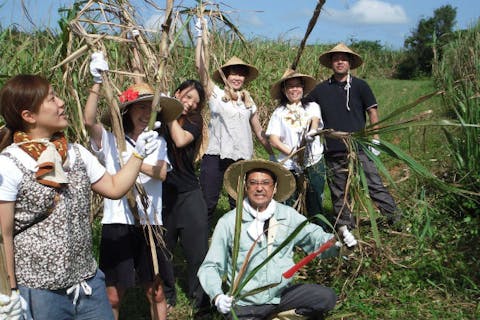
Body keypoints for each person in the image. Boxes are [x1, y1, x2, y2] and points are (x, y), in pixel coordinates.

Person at [0, 74, 160, 319]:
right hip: (39, 291)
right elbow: (4, 235)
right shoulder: (10, 163)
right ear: (28, 116)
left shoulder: (76, 154)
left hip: (88, 284)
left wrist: (138, 155)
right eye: (52, 99)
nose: (62, 103)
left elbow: (115, 187)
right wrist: (10, 293)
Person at [84, 52, 183, 320]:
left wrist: (135, 161)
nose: (146, 113)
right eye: (141, 107)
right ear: (128, 111)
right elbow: (89, 122)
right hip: (118, 221)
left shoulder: (157, 141)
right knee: (113, 294)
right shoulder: (112, 141)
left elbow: (161, 173)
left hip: (150, 222)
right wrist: (96, 82)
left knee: (157, 291)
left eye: (151, 108)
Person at [198, 159, 339, 320]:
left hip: (281, 296)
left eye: (266, 183)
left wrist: (339, 244)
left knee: (325, 297)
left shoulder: (287, 216)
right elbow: (210, 266)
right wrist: (217, 296)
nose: (259, 188)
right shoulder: (229, 222)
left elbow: (316, 240)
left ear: (275, 188)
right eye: (253, 183)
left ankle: (277, 315)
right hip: (245, 303)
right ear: (246, 187)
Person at [306, 43, 402, 247]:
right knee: (339, 191)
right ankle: (345, 228)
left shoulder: (360, 86)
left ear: (349, 63)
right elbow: (300, 104)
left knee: (374, 185)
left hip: (360, 148)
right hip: (334, 150)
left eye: (344, 58)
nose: (340, 61)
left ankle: (396, 220)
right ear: (331, 63)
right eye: (336, 58)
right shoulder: (321, 90)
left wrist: (375, 139)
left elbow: (373, 112)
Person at [195, 18, 275, 225]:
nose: (237, 77)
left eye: (241, 74)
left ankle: (240, 243)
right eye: (233, 73)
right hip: (215, 155)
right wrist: (200, 37)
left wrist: (274, 153)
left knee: (238, 202)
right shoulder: (216, 95)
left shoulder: (248, 101)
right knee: (208, 201)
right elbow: (200, 69)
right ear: (225, 77)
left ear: (245, 78)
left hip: (241, 157)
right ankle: (201, 247)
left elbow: (259, 132)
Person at [158, 80, 210, 315]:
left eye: (195, 102)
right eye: (187, 97)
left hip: (189, 193)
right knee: (163, 250)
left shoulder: (194, 121)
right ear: (177, 93)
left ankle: (201, 301)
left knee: (197, 250)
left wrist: (171, 111)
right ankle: (167, 295)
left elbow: (180, 140)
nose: (189, 104)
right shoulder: (156, 119)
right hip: (162, 195)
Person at [266, 68, 326, 221]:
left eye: (297, 85)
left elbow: (315, 120)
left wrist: (312, 133)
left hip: (313, 161)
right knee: (289, 201)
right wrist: (293, 153)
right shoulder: (279, 112)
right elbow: (274, 139)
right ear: (284, 90)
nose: (294, 89)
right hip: (288, 164)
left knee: (315, 198)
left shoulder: (312, 106)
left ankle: (318, 232)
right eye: (290, 86)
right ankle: (291, 234)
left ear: (303, 88)